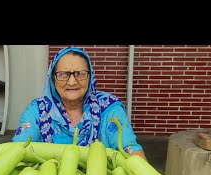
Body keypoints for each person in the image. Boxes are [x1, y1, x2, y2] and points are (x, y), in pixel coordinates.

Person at [12, 46, 147, 160]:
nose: (72, 82)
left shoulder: (109, 107)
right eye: (63, 74)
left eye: (80, 74)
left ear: (90, 77)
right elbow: (18, 149)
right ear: (52, 79)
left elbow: (130, 149)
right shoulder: (37, 110)